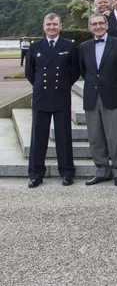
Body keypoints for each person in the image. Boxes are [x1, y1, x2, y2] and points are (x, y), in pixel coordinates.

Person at [25, 14, 80, 188]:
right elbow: (29, 72)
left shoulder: (69, 46)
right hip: (41, 95)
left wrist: (63, 85)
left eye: (55, 24)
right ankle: (35, 174)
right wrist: (39, 86)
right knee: (38, 136)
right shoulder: (35, 46)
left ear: (61, 26)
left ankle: (66, 172)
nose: (51, 27)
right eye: (48, 24)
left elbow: (75, 71)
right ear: (44, 26)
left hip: (61, 94)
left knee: (64, 136)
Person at [79, 13, 117, 186]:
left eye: (101, 23)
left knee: (114, 135)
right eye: (94, 24)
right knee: (95, 136)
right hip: (92, 96)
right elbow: (84, 71)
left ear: (107, 25)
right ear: (90, 27)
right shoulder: (84, 47)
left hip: (113, 95)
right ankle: (102, 170)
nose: (98, 26)